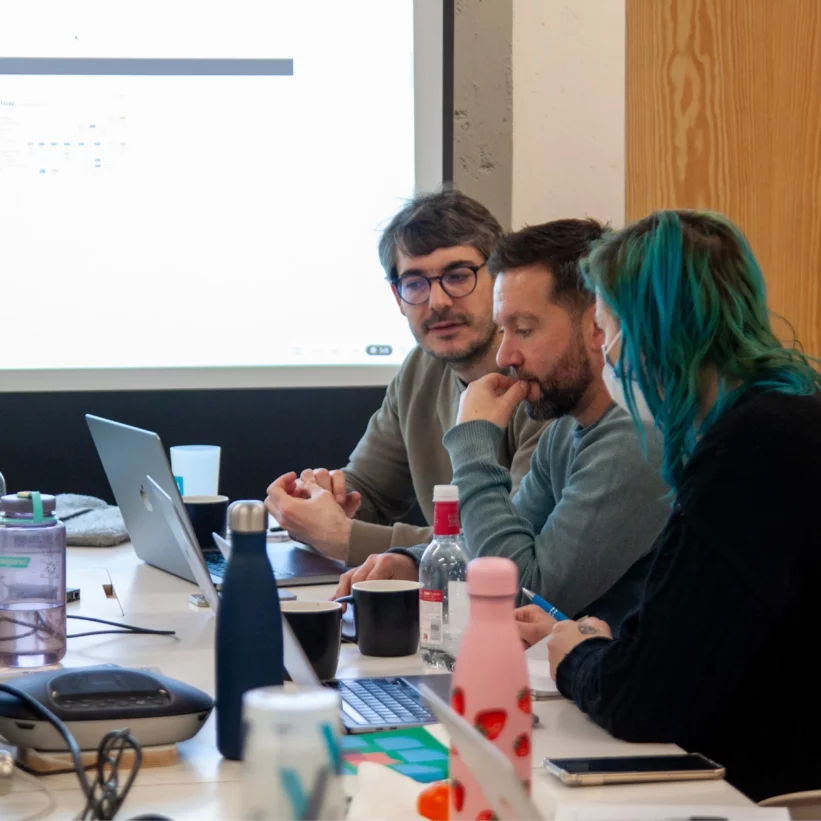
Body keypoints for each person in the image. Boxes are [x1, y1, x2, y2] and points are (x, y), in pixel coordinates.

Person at [537, 209, 821, 802]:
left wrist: (574, 654)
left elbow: (645, 701)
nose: (604, 350)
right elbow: (727, 621)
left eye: (606, 327)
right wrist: (621, 641)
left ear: (650, 330)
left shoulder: (747, 450)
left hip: (758, 789)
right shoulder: (787, 416)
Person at [334, 219, 670, 628]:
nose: (505, 356)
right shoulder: (568, 427)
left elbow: (519, 589)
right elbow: (505, 538)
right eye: (503, 330)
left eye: (524, 330)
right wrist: (412, 561)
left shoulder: (635, 437)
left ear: (597, 326)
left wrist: (473, 446)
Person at [265, 190, 547, 566]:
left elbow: (508, 544)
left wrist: (343, 538)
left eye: (457, 276)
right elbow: (368, 492)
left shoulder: (543, 377)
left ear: (498, 279)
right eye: (415, 283)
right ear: (397, 298)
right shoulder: (420, 368)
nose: (438, 302)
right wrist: (317, 501)